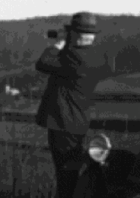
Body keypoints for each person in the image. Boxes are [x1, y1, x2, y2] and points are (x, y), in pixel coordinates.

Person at [35, 12, 113, 198]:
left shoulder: (73, 57)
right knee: (70, 171)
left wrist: (58, 43)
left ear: (77, 35)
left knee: (65, 175)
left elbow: (43, 63)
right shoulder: (96, 57)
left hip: (63, 123)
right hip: (78, 122)